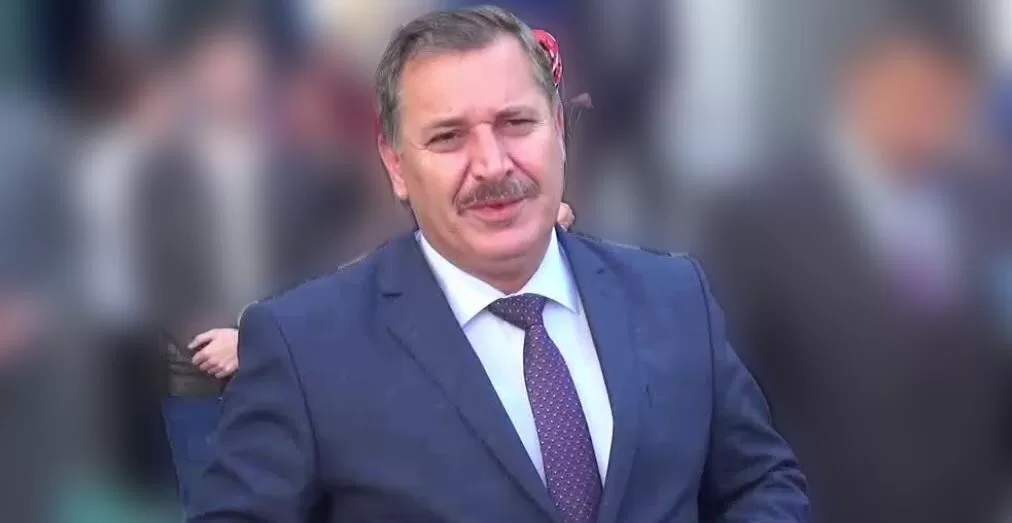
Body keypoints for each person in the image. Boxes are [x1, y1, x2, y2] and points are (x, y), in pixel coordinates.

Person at [188, 6, 808, 522]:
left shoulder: (674, 297)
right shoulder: (304, 348)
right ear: (396, 164)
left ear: (559, 129)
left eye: (515, 123)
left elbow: (762, 483)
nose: (491, 164)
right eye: (448, 137)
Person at [696, 5, 1012, 523]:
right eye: (911, 90)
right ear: (858, 84)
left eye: (946, 98)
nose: (926, 116)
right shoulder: (760, 219)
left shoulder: (989, 208)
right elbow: (734, 401)